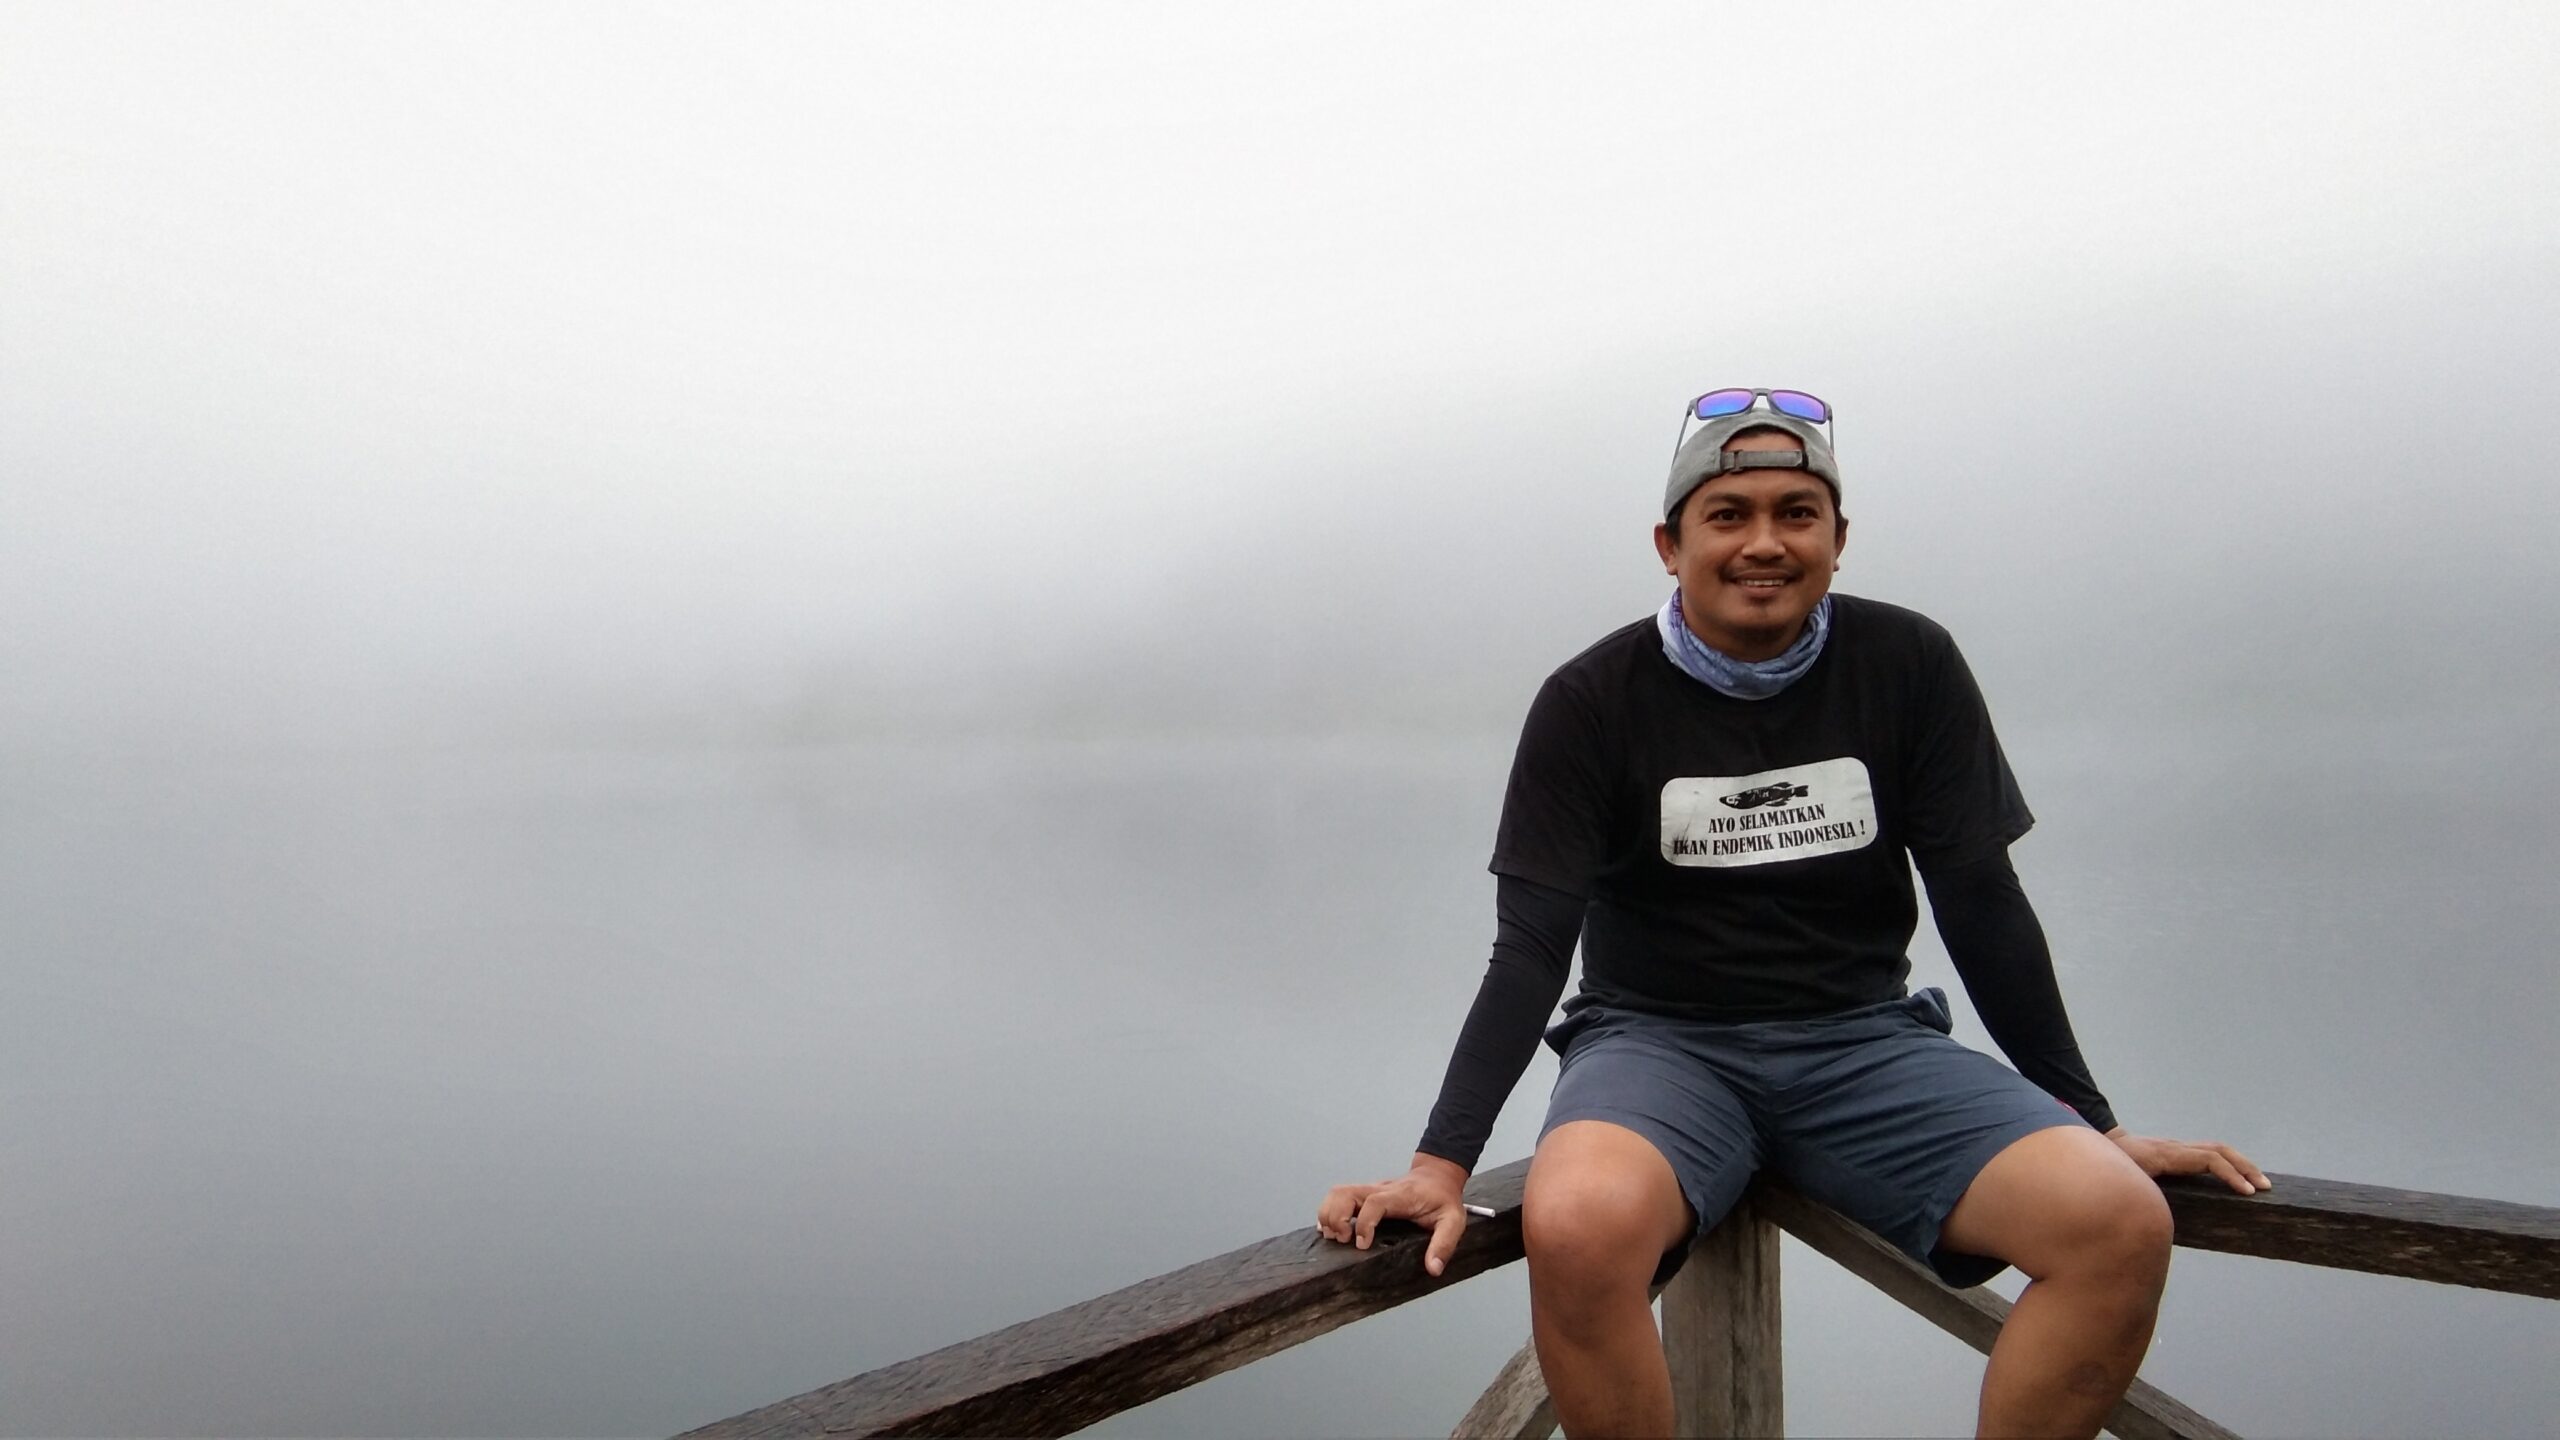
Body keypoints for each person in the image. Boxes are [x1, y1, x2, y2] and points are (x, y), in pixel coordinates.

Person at [1315, 389, 2265, 1439]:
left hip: (1864, 1042)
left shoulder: (1908, 665)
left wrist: (2088, 1121)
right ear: (1669, 545)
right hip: (1656, 1044)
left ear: (1838, 540)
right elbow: (1532, 945)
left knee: (2116, 1223)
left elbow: (1980, 900)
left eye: (1795, 513)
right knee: (1576, 1227)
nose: (1763, 543)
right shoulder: (1591, 700)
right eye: (1727, 515)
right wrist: (1439, 1165)